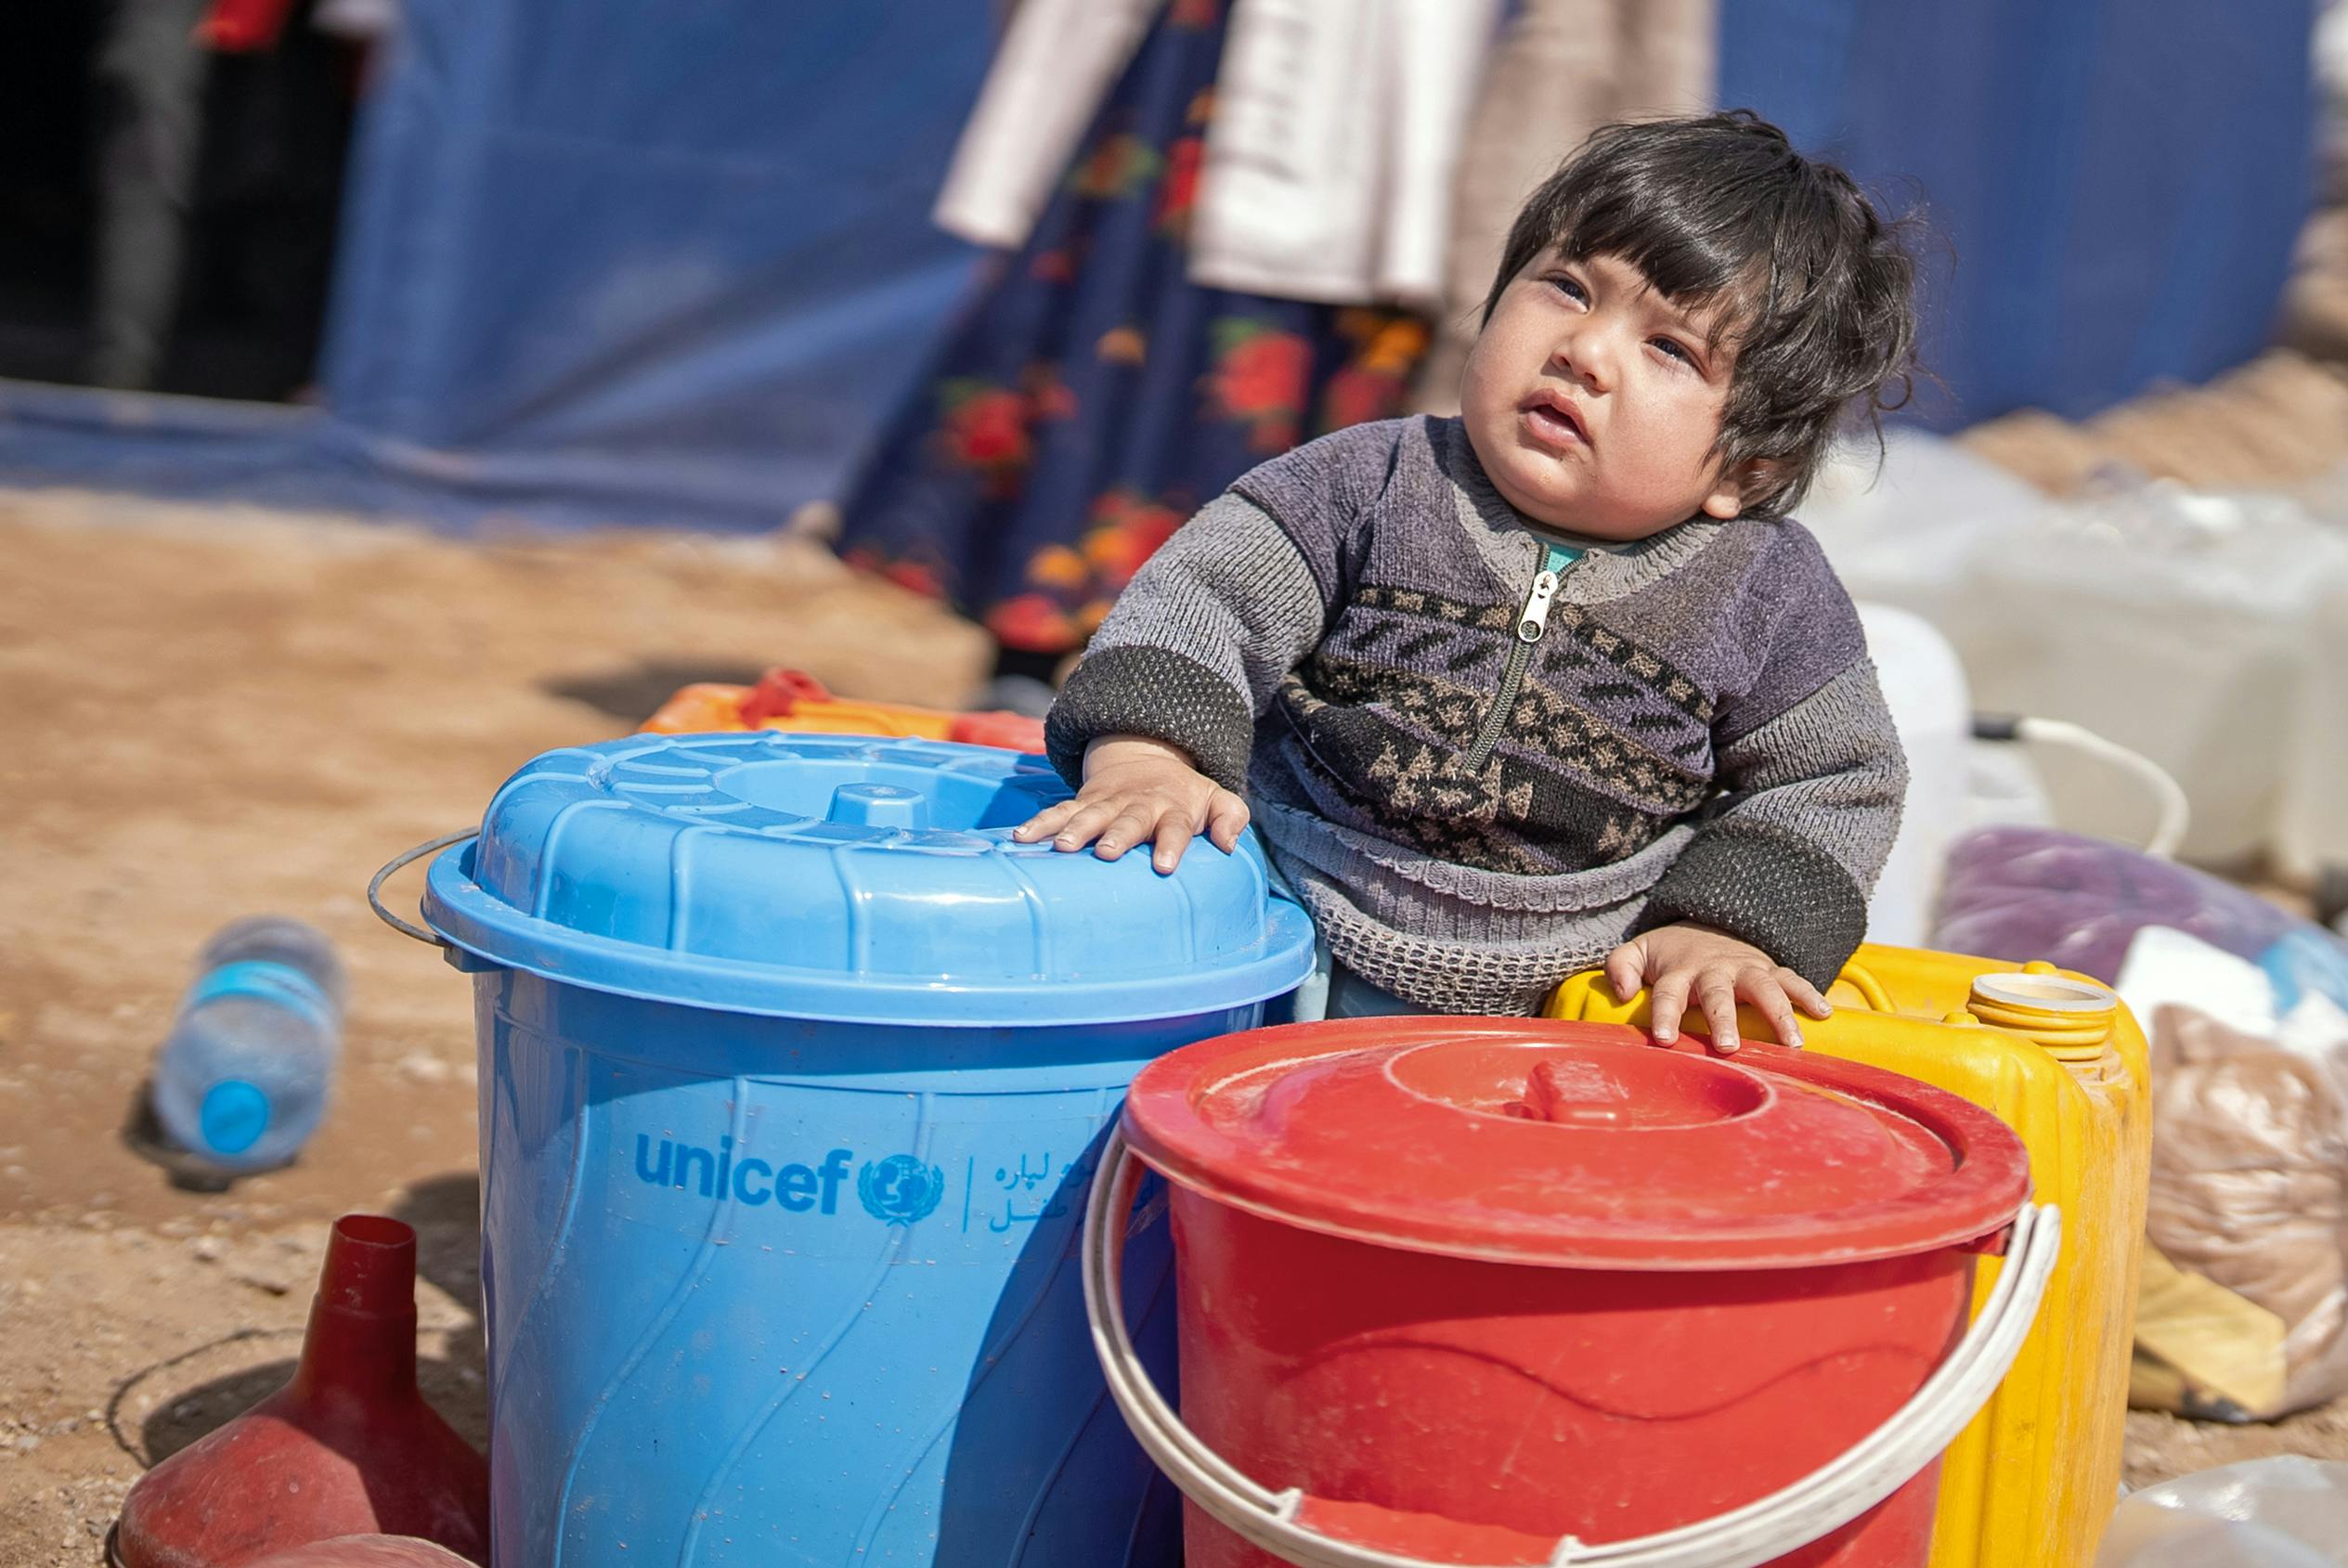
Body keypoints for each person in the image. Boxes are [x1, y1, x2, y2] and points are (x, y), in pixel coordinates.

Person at [1017, 111, 1919, 1047]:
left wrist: (1722, 929)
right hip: (1277, 914)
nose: (1586, 351)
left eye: (1669, 349)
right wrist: (1149, 756)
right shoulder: (1366, 483)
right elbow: (1206, 600)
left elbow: (1838, 777)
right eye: (1567, 288)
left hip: (1572, 998)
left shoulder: (1767, 594)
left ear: (1749, 471)